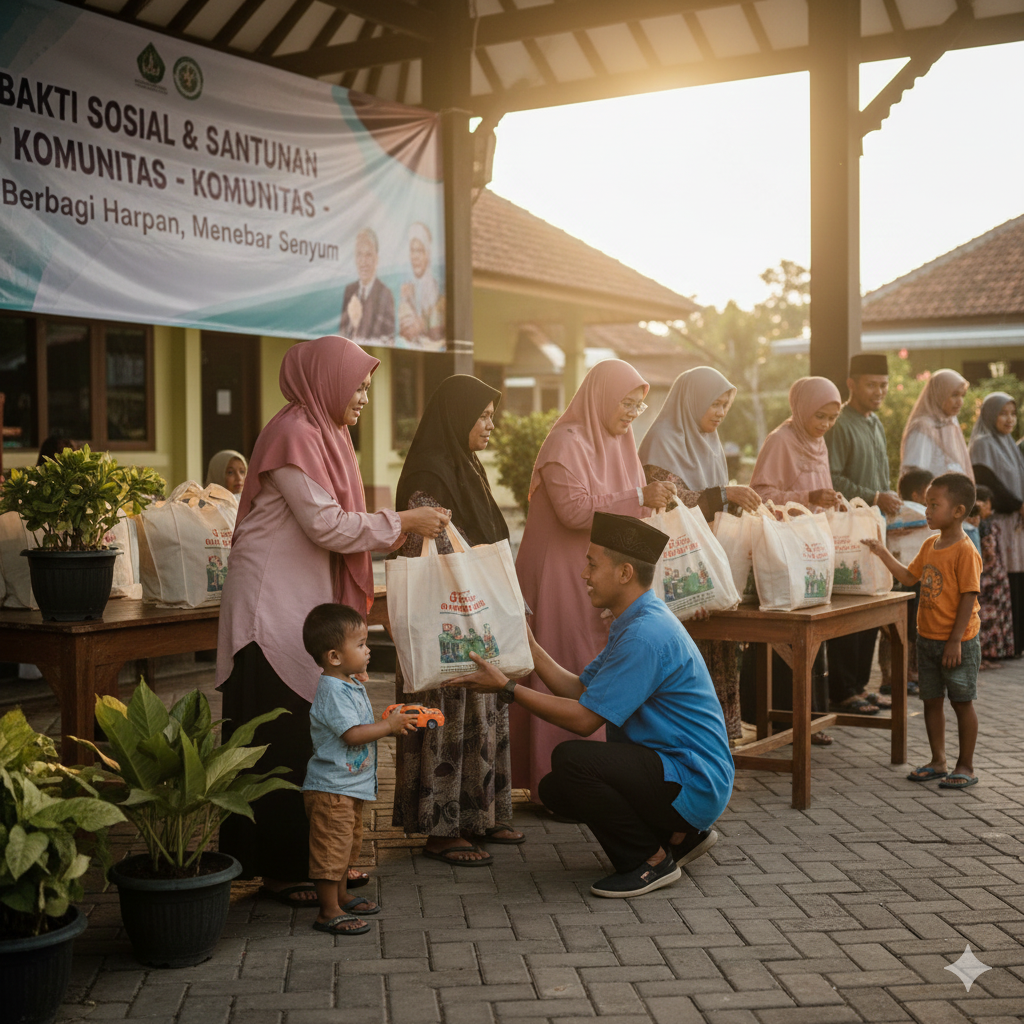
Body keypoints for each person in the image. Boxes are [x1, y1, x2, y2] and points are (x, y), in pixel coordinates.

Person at [215, 335, 450, 907]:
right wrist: (404, 521)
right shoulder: (294, 433)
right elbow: (327, 524)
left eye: (368, 386)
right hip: (269, 603)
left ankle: (317, 859)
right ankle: (281, 868)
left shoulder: (328, 434)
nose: (364, 396)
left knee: (306, 732)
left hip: (301, 598)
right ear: (326, 381)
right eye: (357, 385)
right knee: (280, 736)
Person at [450, 512, 734, 898]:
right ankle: (679, 836)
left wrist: (507, 688)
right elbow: (580, 688)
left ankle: (650, 861)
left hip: (694, 780)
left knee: (573, 761)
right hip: (685, 772)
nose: (584, 574)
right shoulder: (636, 620)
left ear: (625, 573)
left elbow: (585, 720)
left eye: (592, 564)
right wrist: (528, 643)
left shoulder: (645, 634)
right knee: (557, 789)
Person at [513, 360, 676, 795]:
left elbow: (629, 509)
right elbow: (573, 511)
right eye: (626, 403)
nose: (632, 414)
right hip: (559, 574)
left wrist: (652, 499)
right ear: (601, 397)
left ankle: (591, 775)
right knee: (563, 655)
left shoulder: (621, 442)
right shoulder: (565, 442)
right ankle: (550, 778)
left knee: (595, 662)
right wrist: (638, 495)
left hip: (605, 572)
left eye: (638, 406)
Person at [391, 375, 520, 865]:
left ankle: (479, 816)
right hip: (443, 616)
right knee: (446, 713)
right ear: (457, 416)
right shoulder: (430, 474)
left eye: (492, 416)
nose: (490, 425)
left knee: (481, 709)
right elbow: (431, 544)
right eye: (482, 416)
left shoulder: (466, 466)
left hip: (473, 613)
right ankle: (441, 830)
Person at [638, 366, 761, 741]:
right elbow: (668, 502)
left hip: (708, 565)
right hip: (675, 566)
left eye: (725, 404)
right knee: (681, 656)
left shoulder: (710, 442)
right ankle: (679, 742)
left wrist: (733, 503)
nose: (721, 412)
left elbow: (717, 503)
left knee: (715, 647)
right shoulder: (662, 440)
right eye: (714, 403)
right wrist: (724, 495)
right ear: (691, 401)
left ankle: (716, 738)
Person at [301, 603, 418, 936]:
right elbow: (352, 734)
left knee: (345, 847)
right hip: (331, 790)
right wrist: (388, 726)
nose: (368, 651)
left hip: (347, 788)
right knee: (330, 850)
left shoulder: (346, 683)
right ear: (334, 656)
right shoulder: (332, 691)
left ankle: (340, 897)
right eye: (361, 644)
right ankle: (328, 911)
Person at [862, 472, 982, 790]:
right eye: (926, 504)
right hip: (928, 639)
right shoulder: (930, 544)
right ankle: (938, 761)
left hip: (958, 643)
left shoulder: (965, 550)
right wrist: (881, 551)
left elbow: (969, 596)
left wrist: (955, 641)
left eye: (933, 505)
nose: (926, 511)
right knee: (931, 700)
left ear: (958, 511)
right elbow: (908, 577)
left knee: (962, 702)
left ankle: (965, 765)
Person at [747, 376, 842, 744]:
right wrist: (809, 496)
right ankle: (783, 719)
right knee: (790, 635)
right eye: (820, 416)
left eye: (832, 418)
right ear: (802, 408)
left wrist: (826, 499)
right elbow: (760, 494)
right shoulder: (780, 441)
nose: (825, 424)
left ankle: (810, 717)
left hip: (811, 551)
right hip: (785, 554)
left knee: (814, 634)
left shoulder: (818, 442)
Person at [825, 353, 900, 715]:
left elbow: (881, 477)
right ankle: (842, 690)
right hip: (847, 529)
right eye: (871, 385)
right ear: (851, 384)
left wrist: (886, 500)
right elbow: (833, 478)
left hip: (874, 527)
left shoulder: (875, 422)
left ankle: (859, 685)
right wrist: (874, 496)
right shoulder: (840, 423)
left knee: (870, 602)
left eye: (883, 385)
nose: (879, 392)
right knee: (848, 606)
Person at [969, 392, 1024, 658]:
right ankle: (1001, 646)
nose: (1009, 419)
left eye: (1013, 414)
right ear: (990, 415)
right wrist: (1017, 505)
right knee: (1003, 583)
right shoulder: (982, 444)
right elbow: (988, 487)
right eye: (1003, 413)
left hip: (1015, 523)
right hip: (998, 524)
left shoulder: (1009, 443)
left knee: (1017, 580)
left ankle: (1015, 643)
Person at [899, 369, 973, 480]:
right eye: (954, 395)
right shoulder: (923, 427)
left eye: (962, 395)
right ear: (939, 394)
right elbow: (914, 476)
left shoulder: (950, 424)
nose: (960, 402)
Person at [974, 485, 1014, 665]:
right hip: (989, 580)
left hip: (991, 579)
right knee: (987, 618)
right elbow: (989, 554)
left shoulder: (982, 525)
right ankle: (984, 655)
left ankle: (986, 655)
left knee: (988, 618)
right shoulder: (982, 526)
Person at [339, 228, 396, 345]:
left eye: (368, 255)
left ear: (376, 259)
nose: (363, 262)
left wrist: (358, 323)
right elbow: (342, 337)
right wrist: (352, 325)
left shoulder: (385, 294)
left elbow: (387, 341)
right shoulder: (350, 291)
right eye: (359, 255)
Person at [398, 222, 444, 350]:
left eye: (419, 251)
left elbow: (439, 332)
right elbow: (403, 331)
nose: (415, 257)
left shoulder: (438, 289)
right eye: (412, 251)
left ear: (427, 255)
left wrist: (422, 325)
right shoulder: (407, 289)